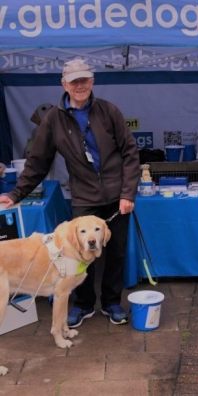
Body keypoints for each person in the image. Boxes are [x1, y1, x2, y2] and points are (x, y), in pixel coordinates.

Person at [0, 58, 141, 328]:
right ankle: (84, 304)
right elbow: (38, 161)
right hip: (84, 199)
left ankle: (112, 303)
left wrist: (128, 194)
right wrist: (16, 194)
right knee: (75, 257)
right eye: (74, 81)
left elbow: (130, 154)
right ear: (63, 84)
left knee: (116, 253)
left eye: (84, 79)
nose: (80, 85)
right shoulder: (53, 118)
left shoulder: (109, 111)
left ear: (92, 81)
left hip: (116, 197)